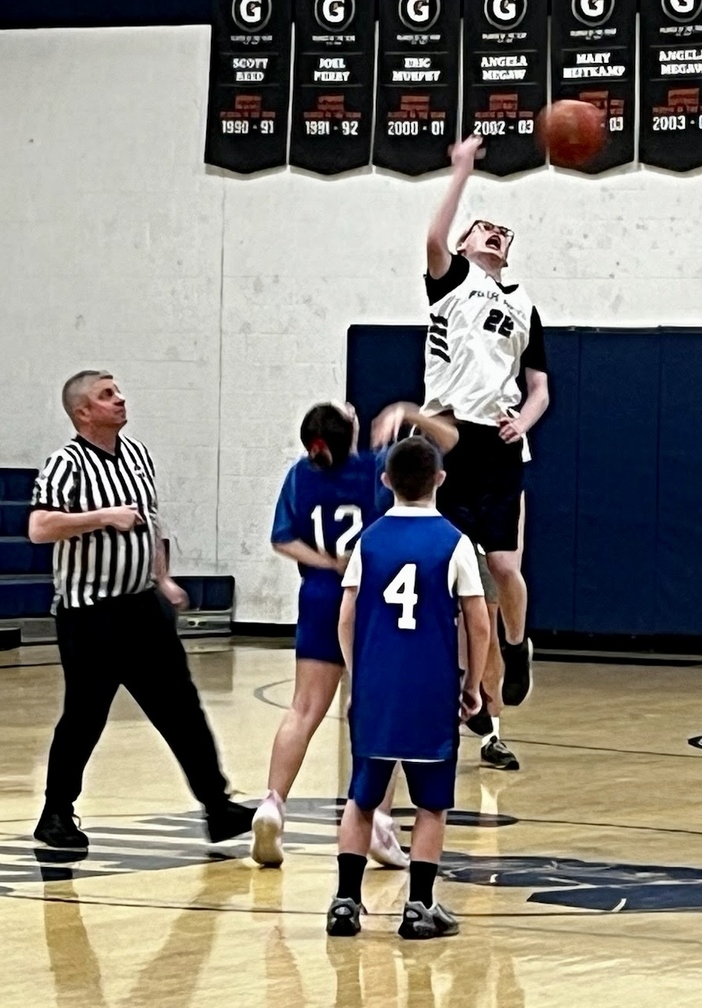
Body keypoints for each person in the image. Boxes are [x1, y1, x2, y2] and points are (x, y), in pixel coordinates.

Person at [374, 133, 549, 770]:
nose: (494, 233)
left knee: (503, 570)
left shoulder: (524, 304)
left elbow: (541, 387)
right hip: (449, 438)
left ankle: (520, 647)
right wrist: (461, 171)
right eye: (482, 229)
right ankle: (477, 717)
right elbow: (433, 238)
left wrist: (524, 419)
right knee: (455, 592)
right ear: (465, 246)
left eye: (502, 231)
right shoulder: (452, 283)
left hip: (500, 445)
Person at [29, 370, 253, 849]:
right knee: (85, 717)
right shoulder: (65, 463)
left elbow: (150, 523)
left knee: (182, 709)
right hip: (90, 615)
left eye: (118, 391)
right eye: (106, 395)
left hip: (142, 610)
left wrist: (162, 578)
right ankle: (55, 814)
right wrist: (102, 517)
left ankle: (218, 806)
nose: (120, 399)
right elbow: (40, 527)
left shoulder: (137, 456)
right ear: (82, 412)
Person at [253, 402, 460, 869]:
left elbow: (282, 539)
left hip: (319, 596)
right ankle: (380, 822)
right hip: (371, 599)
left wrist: (325, 564)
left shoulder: (299, 475)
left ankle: (272, 803)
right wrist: (406, 414)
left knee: (303, 709)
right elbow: (447, 442)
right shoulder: (375, 468)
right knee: (372, 714)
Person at [326, 436, 490, 939]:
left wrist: (359, 675)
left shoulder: (368, 541)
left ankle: (345, 903)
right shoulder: (455, 542)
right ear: (440, 479)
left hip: (377, 692)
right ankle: (419, 906)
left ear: (385, 482)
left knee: (361, 798)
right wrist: (474, 684)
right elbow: (479, 624)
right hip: (430, 691)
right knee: (431, 804)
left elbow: (346, 617)